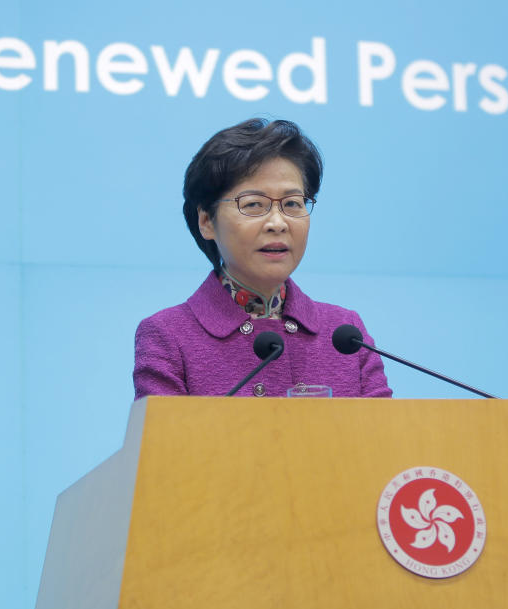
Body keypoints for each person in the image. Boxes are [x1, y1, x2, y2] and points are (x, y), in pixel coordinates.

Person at [133, 119, 392, 399]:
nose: (278, 223)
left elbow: (382, 440)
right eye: (254, 204)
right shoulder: (169, 336)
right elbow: (163, 443)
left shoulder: (346, 335)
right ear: (206, 220)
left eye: (293, 203)